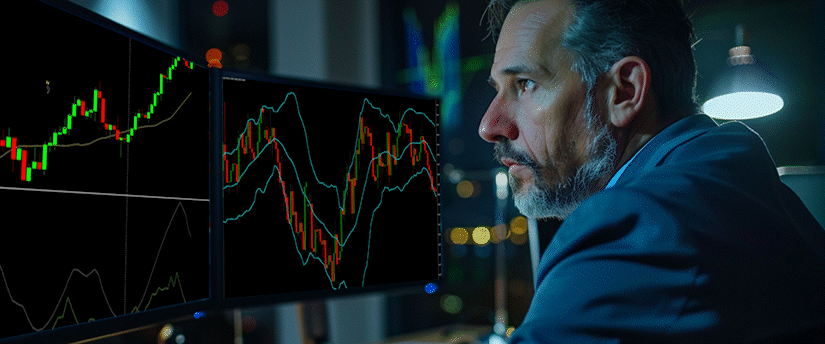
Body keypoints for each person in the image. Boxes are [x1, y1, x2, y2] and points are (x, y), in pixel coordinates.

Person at [477, 0, 825, 342]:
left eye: (525, 84)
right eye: (498, 90)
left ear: (624, 91)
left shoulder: (641, 224)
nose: (489, 126)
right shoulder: (732, 176)